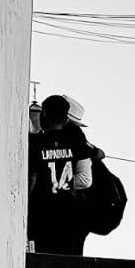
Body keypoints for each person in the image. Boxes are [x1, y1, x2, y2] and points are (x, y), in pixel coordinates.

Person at [28, 94, 93, 255]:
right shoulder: (78, 142)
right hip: (69, 215)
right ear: (65, 120)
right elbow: (86, 179)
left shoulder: (34, 143)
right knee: (67, 263)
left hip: (41, 215)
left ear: (43, 114)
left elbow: (31, 178)